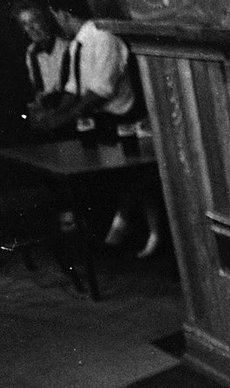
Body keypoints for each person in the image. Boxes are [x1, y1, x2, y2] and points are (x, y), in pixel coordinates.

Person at [32, 0, 162, 258]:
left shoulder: (103, 39)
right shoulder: (77, 45)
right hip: (99, 124)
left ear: (63, 13)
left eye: (55, 16)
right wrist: (54, 114)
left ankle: (146, 234)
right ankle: (111, 233)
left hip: (122, 120)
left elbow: (99, 92)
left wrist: (64, 118)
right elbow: (72, 89)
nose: (56, 22)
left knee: (137, 180)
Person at [12, 1, 70, 119]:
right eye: (25, 24)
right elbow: (37, 89)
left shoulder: (66, 47)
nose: (30, 28)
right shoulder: (31, 52)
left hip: (67, 110)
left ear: (45, 21)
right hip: (47, 112)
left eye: (34, 21)